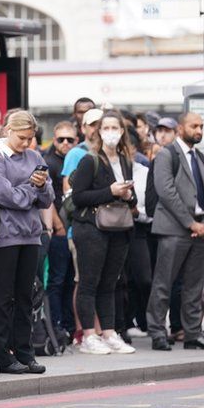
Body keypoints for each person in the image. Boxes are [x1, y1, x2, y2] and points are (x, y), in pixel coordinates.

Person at [0, 110, 55, 374]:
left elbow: (47, 198)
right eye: (22, 138)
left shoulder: (34, 156)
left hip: (31, 233)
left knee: (26, 296)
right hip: (5, 234)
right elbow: (2, 195)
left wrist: (41, 187)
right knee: (3, 296)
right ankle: (1, 356)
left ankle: (25, 353)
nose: (26, 144)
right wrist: (32, 190)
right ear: (9, 130)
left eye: (30, 139)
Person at [147, 112, 204, 351]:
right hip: (174, 229)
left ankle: (192, 334)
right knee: (163, 283)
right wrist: (191, 223)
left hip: (200, 230)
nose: (199, 130)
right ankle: (158, 331)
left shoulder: (201, 157)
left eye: (201, 126)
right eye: (194, 126)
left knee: (194, 285)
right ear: (180, 128)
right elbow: (166, 192)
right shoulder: (167, 154)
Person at [70, 111, 138, 355]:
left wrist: (129, 195)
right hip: (91, 227)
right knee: (89, 282)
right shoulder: (90, 160)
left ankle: (109, 332)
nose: (111, 132)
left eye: (115, 127)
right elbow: (78, 197)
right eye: (106, 127)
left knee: (111, 282)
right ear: (98, 131)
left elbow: (132, 197)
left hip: (118, 226)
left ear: (122, 131)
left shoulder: (126, 160)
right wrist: (110, 191)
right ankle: (88, 334)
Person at [44, 122, 78, 336]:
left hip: (76, 229)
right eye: (60, 139)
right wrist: (57, 225)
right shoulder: (48, 162)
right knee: (57, 280)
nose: (65, 143)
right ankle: (56, 326)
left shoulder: (78, 159)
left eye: (70, 139)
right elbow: (48, 198)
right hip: (59, 230)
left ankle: (69, 325)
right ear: (54, 139)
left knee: (70, 280)